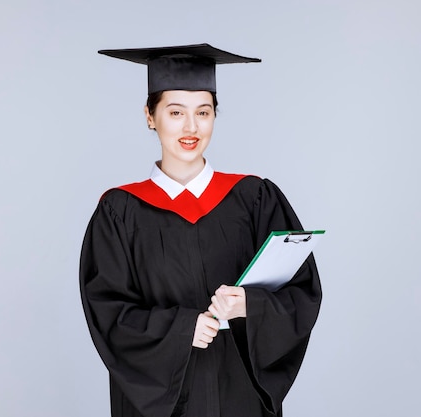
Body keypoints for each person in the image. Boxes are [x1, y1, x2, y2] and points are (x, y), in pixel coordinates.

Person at [80, 44, 322, 417]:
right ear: (150, 116)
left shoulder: (254, 198)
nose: (190, 128)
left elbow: (301, 294)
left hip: (239, 393)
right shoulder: (119, 211)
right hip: (161, 405)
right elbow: (108, 315)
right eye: (175, 112)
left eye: (203, 112)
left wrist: (252, 306)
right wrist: (179, 330)